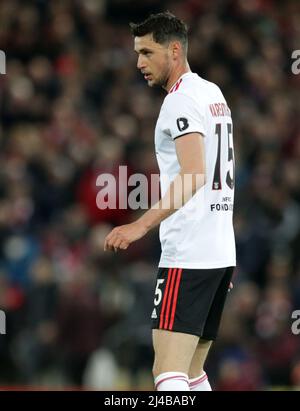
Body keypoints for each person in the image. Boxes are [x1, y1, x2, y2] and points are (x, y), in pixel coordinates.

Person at [104, 11, 236, 391]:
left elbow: (194, 173)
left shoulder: (179, 102)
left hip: (189, 252)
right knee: (193, 374)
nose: (139, 63)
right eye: (136, 53)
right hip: (218, 252)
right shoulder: (213, 93)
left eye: (147, 52)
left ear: (174, 50)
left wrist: (139, 225)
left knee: (168, 374)